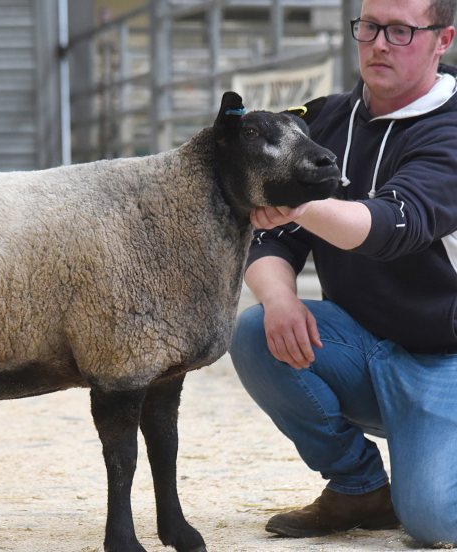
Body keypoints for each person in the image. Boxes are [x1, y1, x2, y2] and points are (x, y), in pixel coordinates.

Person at [229, 0, 457, 546]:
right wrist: (281, 299)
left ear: (442, 39)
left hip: (445, 359)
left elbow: (393, 226)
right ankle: (359, 489)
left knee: (433, 523)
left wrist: (299, 203)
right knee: (255, 330)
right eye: (370, 26)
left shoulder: (450, 129)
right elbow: (270, 236)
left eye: (401, 30)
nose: (379, 43)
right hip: (364, 348)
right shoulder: (327, 118)